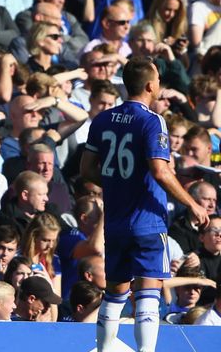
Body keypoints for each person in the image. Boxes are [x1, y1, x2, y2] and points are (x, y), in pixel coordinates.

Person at [80, 57, 210, 352]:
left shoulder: (102, 120)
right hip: (147, 220)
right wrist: (193, 204)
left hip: (115, 221)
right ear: (151, 85)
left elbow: (87, 170)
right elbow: (160, 170)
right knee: (148, 290)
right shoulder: (152, 120)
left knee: (115, 292)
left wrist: (116, 184)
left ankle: (103, 349)